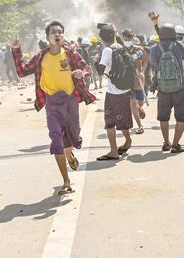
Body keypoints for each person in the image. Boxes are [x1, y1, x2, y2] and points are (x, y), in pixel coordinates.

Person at [12, 21, 96, 195]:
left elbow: (87, 67)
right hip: (51, 103)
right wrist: (16, 51)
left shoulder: (71, 55)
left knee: (73, 136)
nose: (57, 34)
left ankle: (69, 154)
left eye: (60, 32)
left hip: (70, 100)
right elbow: (22, 72)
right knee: (56, 139)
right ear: (48, 37)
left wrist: (83, 73)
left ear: (63, 36)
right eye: (53, 32)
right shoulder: (41, 57)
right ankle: (66, 181)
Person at [151, 4, 184, 124]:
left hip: (172, 76)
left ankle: (172, 117)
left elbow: (162, 36)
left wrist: (156, 24)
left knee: (174, 95)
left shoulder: (169, 45)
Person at [95, 24, 135, 160]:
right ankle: (128, 141)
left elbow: (100, 71)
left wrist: (96, 61)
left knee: (110, 121)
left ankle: (113, 151)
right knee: (123, 119)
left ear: (101, 38)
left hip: (113, 92)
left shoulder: (107, 50)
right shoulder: (120, 46)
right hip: (125, 89)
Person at [149, 21, 184, 153]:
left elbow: (153, 63)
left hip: (163, 89)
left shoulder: (155, 48)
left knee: (163, 118)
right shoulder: (178, 46)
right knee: (181, 118)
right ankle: (175, 144)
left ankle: (166, 143)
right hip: (180, 88)